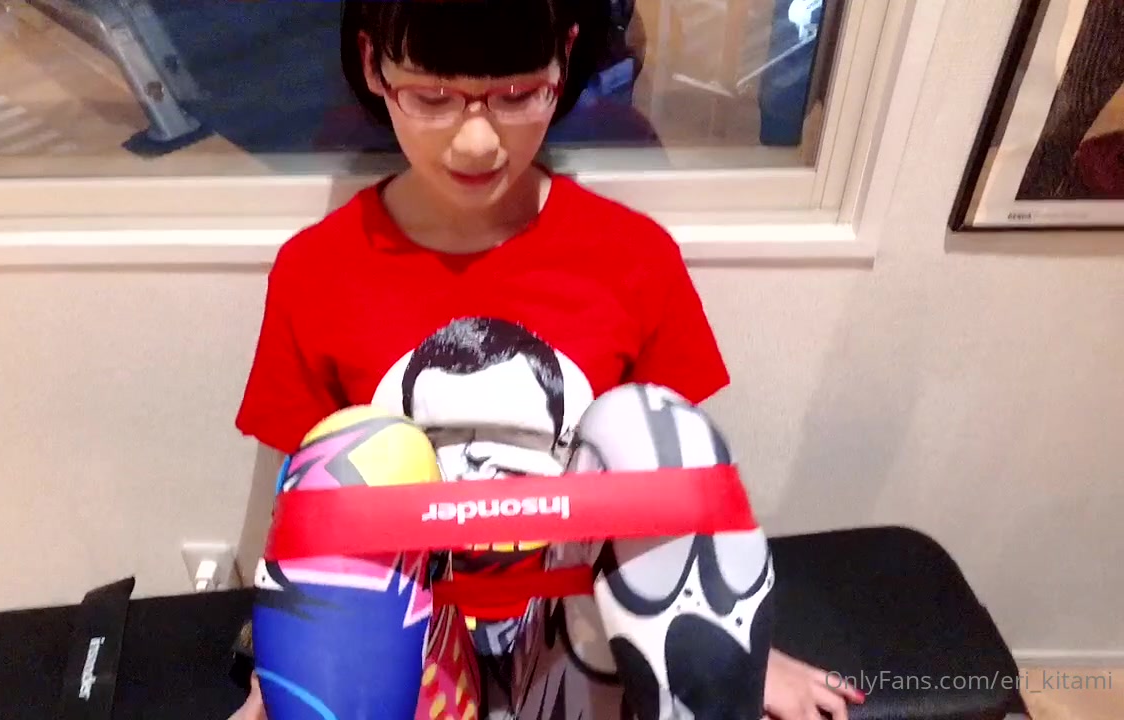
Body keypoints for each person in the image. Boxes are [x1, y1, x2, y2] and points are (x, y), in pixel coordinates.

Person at [230, 1, 866, 718]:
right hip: (411, 658)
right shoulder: (316, 272)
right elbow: (297, 512)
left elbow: (676, 499)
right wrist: (277, 673)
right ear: (374, 66)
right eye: (432, 98)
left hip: (574, 641)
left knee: (652, 428)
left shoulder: (632, 258)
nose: (477, 142)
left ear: (565, 60)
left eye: (517, 95)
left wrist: (731, 652)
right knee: (352, 450)